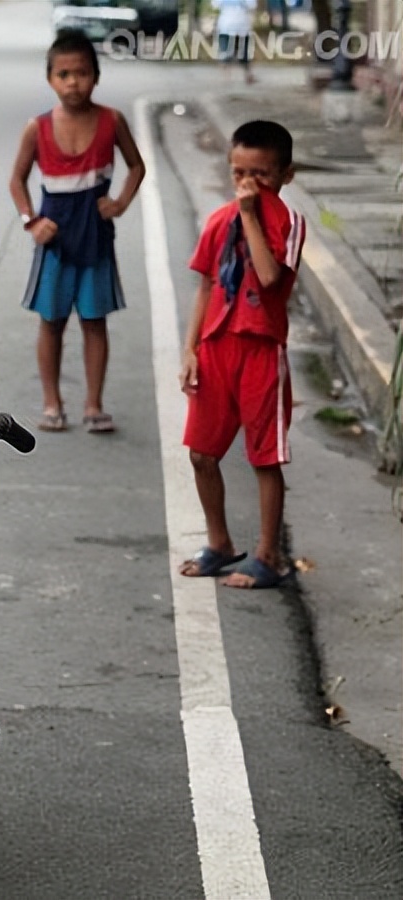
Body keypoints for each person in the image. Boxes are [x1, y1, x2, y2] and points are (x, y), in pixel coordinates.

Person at [178, 120, 305, 589]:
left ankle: (269, 555)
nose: (248, 185)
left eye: (260, 175)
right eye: (239, 174)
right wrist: (190, 348)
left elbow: (270, 278)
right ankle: (220, 542)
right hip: (216, 347)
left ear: (284, 176)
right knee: (201, 453)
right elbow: (206, 285)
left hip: (260, 349)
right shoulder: (218, 220)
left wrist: (251, 215)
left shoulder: (286, 222)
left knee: (264, 456)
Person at [9, 29, 145, 434]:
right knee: (51, 321)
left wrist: (120, 203)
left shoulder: (111, 121)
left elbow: (137, 166)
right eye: (64, 74)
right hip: (55, 240)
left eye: (82, 73)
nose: (73, 82)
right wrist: (30, 221)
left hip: (97, 236)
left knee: (94, 320)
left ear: (96, 76)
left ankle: (94, 404)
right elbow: (16, 179)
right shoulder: (38, 128)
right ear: (51, 79)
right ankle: (52, 403)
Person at [212, 0, 257, 84]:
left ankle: (226, 78)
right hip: (241, 25)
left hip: (226, 25)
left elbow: (215, 4)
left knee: (225, 52)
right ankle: (248, 75)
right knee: (244, 53)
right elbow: (252, 5)